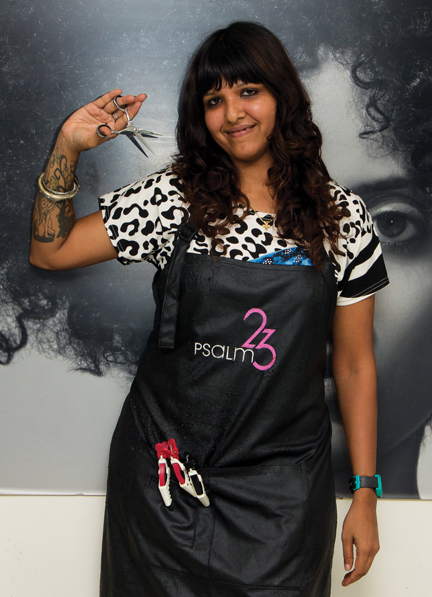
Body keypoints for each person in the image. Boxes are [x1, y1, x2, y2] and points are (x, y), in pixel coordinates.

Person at [30, 21, 385, 595]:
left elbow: (353, 365)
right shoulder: (172, 200)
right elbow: (50, 251)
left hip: (282, 498)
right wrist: (67, 144)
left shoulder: (341, 219)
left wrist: (366, 492)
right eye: (214, 100)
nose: (232, 113)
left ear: (282, 96)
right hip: (164, 484)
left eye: (249, 91)